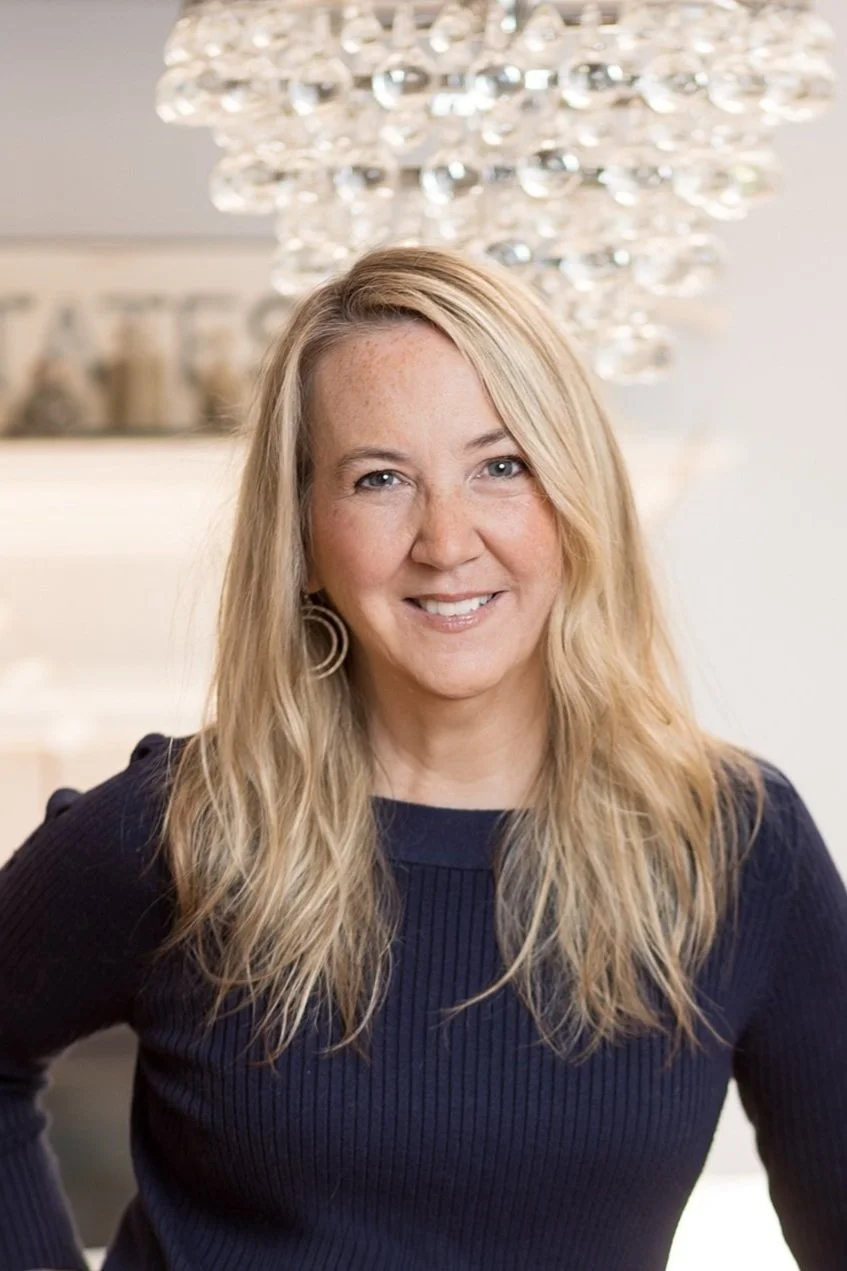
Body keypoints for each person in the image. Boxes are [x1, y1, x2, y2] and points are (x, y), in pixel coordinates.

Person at [1, 244, 845, 1271]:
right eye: (380, 478)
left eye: (501, 465)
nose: (446, 540)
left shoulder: (735, 845)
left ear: (575, 502)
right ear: (305, 537)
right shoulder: (178, 828)